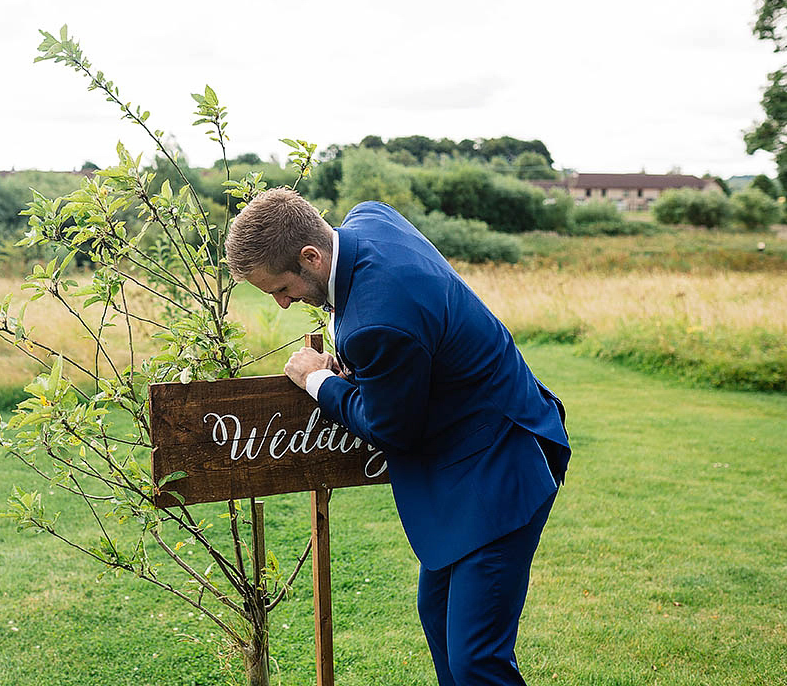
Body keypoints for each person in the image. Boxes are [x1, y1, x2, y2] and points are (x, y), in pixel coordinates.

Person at [224, 188, 570, 686]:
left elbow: (392, 429)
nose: (281, 304)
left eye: (280, 288)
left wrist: (318, 381)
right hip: (468, 455)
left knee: (477, 660)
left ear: (310, 257)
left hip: (500, 469)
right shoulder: (369, 219)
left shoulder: (377, 321)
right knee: (437, 616)